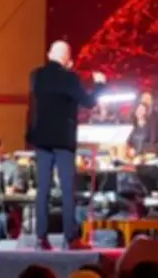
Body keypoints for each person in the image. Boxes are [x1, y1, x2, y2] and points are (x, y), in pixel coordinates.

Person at [26, 40, 106, 250]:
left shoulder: (36, 76)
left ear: (48, 54)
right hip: (63, 140)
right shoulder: (69, 78)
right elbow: (88, 102)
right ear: (68, 58)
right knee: (67, 189)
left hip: (41, 139)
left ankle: (41, 238)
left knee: (43, 189)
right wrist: (99, 86)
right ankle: (70, 238)